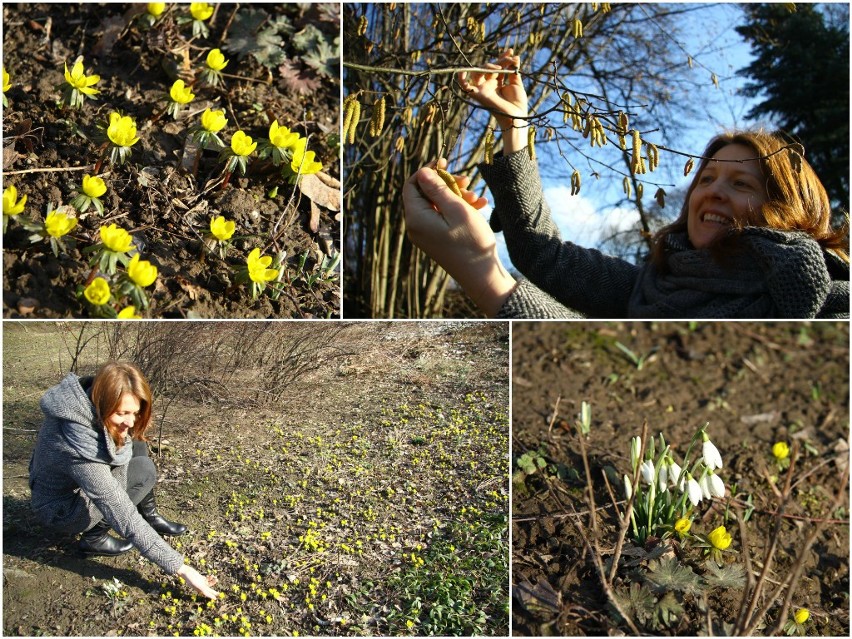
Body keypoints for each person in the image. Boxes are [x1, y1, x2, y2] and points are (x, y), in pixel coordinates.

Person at [403, 50, 849, 318]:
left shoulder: (826, 300)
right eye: (707, 178)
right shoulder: (651, 285)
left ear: (790, 210)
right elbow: (543, 252)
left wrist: (485, 280)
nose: (712, 190)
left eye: (741, 183)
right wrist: (514, 126)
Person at [29, 362, 219, 599]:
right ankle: (94, 538)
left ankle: (150, 516)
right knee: (143, 471)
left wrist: (123, 425)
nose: (129, 421)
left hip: (71, 487)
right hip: (61, 511)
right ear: (102, 402)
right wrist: (183, 569)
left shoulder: (82, 402)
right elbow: (120, 510)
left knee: (136, 442)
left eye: (135, 412)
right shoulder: (76, 446)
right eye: (122, 413)